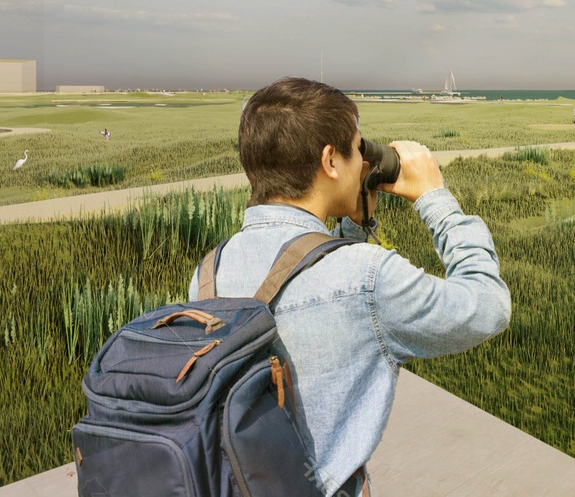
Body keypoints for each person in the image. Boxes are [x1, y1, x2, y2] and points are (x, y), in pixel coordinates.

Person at [187, 77, 510, 496]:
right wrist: (436, 199)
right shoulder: (370, 279)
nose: (364, 163)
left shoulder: (211, 269)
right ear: (330, 161)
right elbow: (487, 306)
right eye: (359, 150)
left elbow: (308, 274)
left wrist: (355, 224)